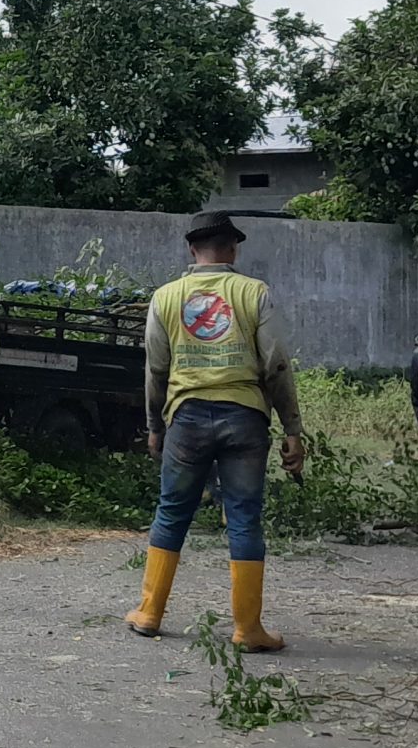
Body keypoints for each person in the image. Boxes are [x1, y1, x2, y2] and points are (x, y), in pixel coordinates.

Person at [124, 211, 308, 651]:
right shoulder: (253, 293)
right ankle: (248, 630)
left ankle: (149, 613)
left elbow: (156, 369)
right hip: (245, 417)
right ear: (232, 249)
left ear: (192, 250)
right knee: (243, 517)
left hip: (186, 419)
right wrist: (293, 428)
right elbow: (276, 363)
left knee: (172, 512)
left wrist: (154, 426)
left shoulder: (166, 297)